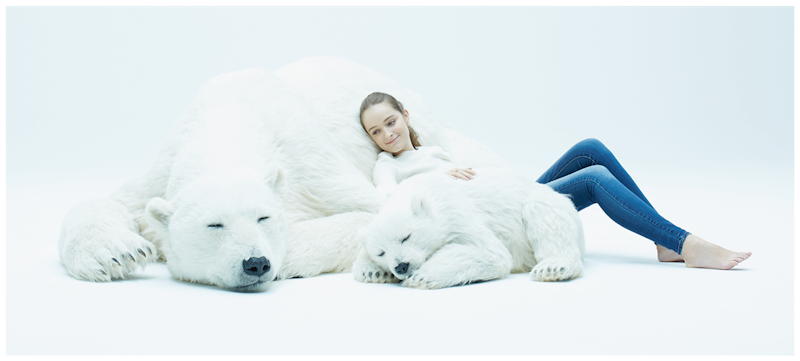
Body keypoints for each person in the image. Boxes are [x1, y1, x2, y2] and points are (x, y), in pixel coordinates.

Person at [359, 91, 751, 270]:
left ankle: (660, 240)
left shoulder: (431, 149)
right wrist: (437, 180)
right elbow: (390, 201)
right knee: (594, 177)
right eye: (375, 132)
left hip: (509, 199)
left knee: (590, 147)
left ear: (406, 116)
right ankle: (684, 243)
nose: (386, 135)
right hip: (514, 213)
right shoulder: (389, 166)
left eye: (390, 122)